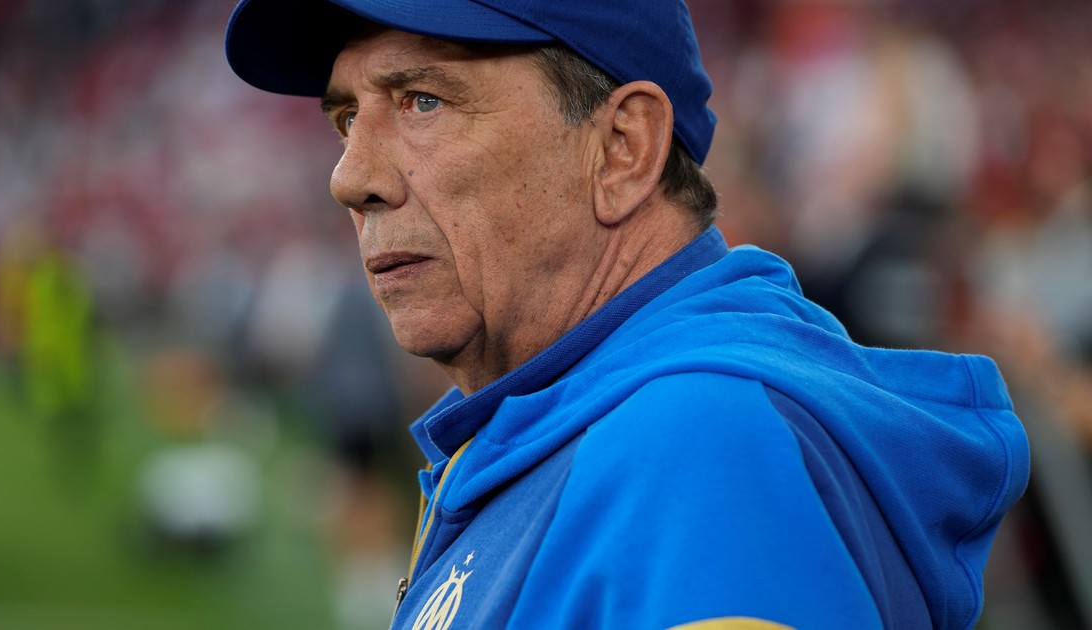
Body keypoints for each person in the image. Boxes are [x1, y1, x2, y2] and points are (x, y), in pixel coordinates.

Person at [222, 1, 1030, 628]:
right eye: (347, 119)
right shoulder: (594, 422)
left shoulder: (699, 446)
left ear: (623, 149)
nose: (349, 176)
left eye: (423, 101)